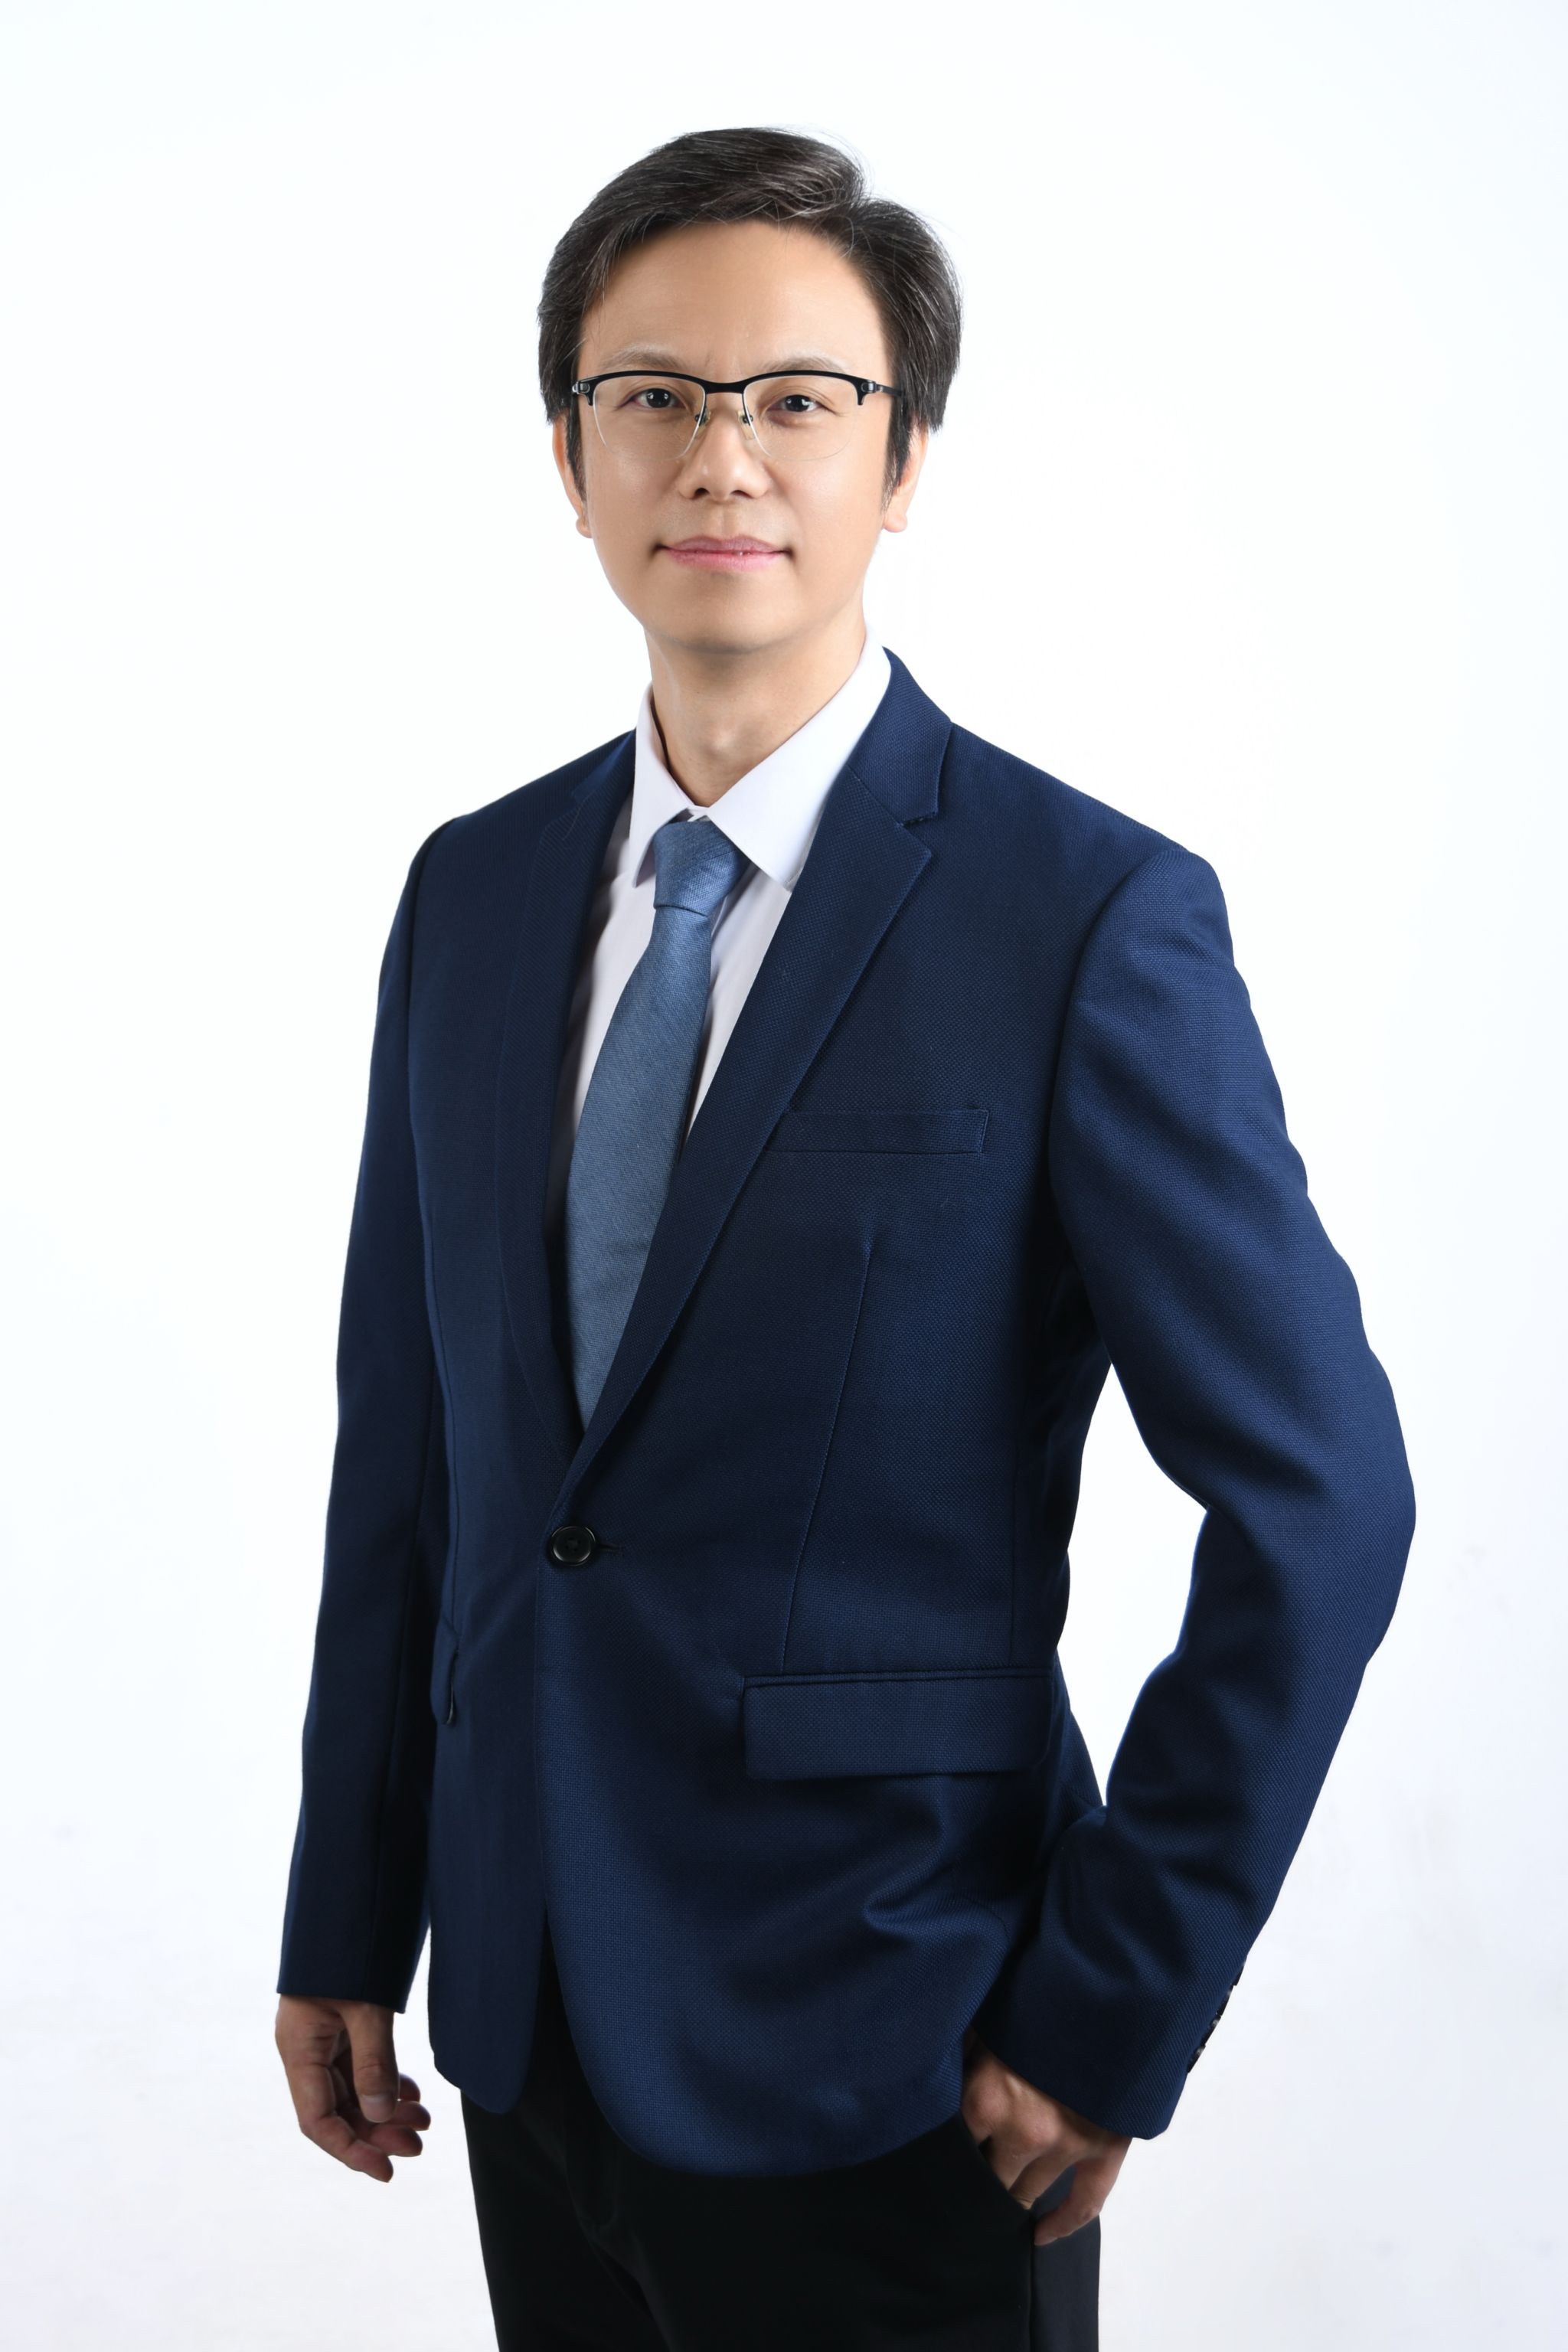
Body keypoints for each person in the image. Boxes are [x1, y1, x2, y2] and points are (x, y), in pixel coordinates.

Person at [273, 125, 1415, 2352]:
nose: (725, 454)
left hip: (904, 2040)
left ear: (904, 465)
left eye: (799, 398)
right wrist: (352, 1898)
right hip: (524, 2014)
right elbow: (413, 1449)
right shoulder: (473, 895)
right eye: (653, 395)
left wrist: (1115, 2004)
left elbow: (1325, 1501)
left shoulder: (1083, 917)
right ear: (570, 457)